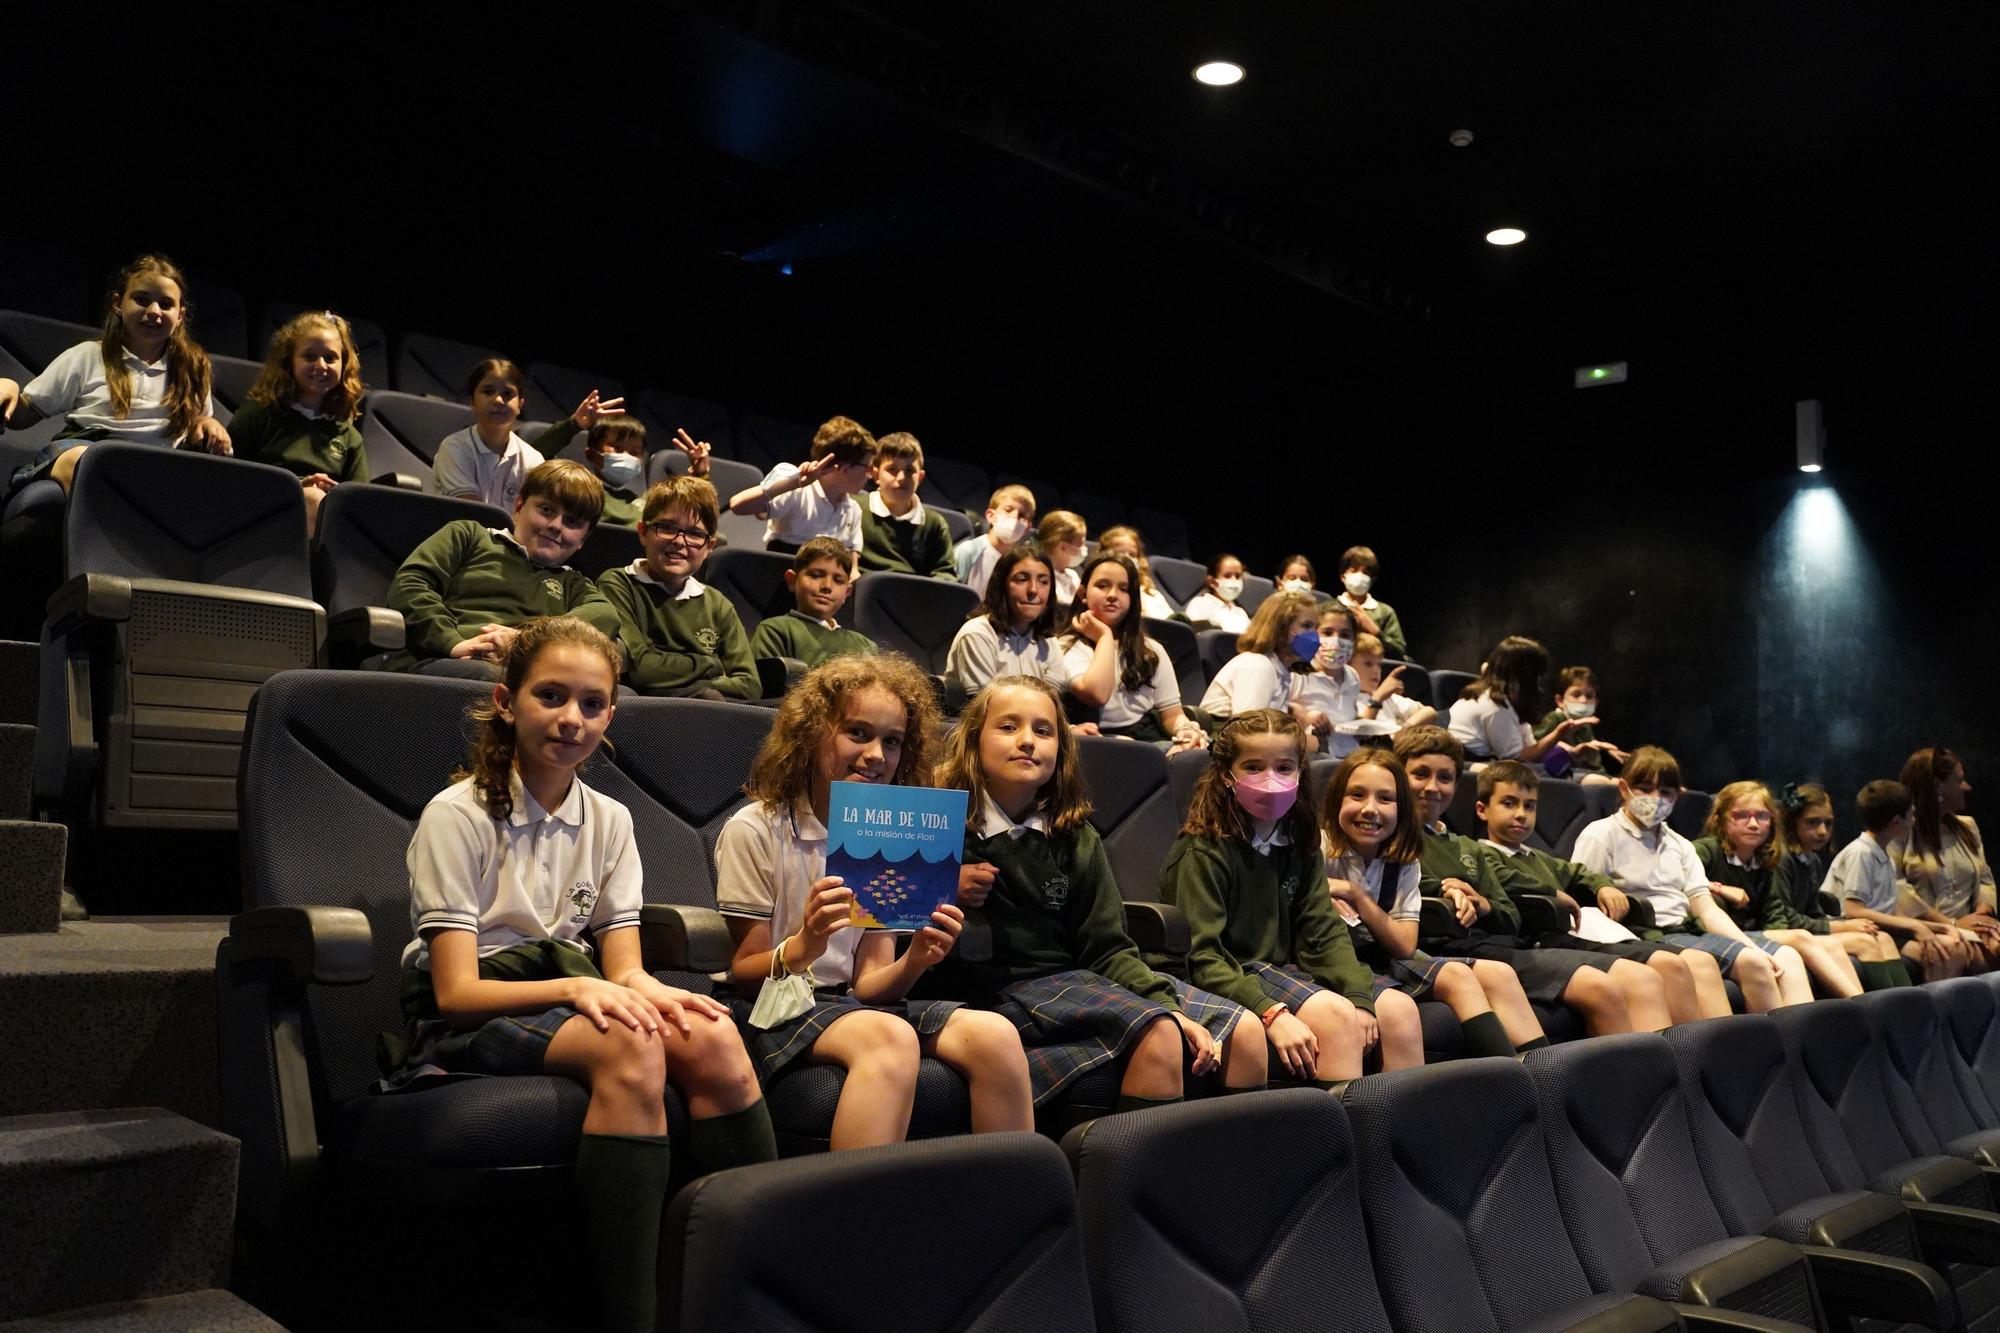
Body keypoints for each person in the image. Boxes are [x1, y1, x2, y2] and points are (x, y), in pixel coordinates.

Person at [390, 615, 774, 1333]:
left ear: (611, 715)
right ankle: (634, 1314)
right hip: (467, 1018)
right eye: (552, 696)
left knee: (711, 1035)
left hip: (567, 994)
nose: (572, 719)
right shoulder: (459, 813)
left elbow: (624, 966)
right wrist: (577, 986)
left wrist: (667, 996)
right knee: (632, 1046)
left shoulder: (610, 819)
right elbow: (455, 992)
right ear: (506, 701)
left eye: (592, 704)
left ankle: (745, 1291)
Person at [717, 654, 1032, 1147]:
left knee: (994, 1034)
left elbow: (870, 985)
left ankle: (1011, 1207)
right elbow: (743, 973)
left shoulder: (890, 830)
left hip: (851, 1005)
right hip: (773, 1007)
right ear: (812, 733)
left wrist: (918, 960)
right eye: (857, 733)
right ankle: (857, 1216)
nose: (876, 755)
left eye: (892, 741)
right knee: (891, 1037)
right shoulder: (756, 830)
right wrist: (807, 942)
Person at [927, 676, 1267, 1111]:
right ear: (973, 741)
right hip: (999, 993)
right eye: (1008, 727)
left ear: (1062, 749)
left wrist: (1170, 1003)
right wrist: (943, 883)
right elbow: (892, 912)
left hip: (1077, 981)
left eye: (1044, 730)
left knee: (1245, 1033)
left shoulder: (1073, 834)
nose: (1028, 741)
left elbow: (1107, 947)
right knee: (1160, 1033)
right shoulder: (938, 822)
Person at [1157, 710, 1371, 1088]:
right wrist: (1270, 1012)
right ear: (1227, 774)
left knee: (1397, 1011)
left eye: (1284, 767)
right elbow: (1203, 955)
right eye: (1253, 767)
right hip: (1227, 972)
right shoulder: (1203, 850)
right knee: (1337, 1018)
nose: (1271, 779)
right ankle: (1337, 1143)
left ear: (1301, 773)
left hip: (1277, 968)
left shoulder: (1300, 843)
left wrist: (1359, 996)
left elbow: (1322, 929)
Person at [1318, 748, 1544, 1065]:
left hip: (1381, 953)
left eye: (1385, 799)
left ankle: (1527, 1075)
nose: (1370, 809)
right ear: (1336, 801)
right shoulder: (1319, 848)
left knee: (1471, 975)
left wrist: (1359, 897)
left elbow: (1404, 944)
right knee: (1414, 998)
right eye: (1357, 795)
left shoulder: (1404, 858)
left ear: (1401, 809)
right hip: (1336, 960)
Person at [1462, 753, 1721, 1024]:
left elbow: (1578, 872)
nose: (1520, 814)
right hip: (1534, 943)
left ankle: (1694, 1055)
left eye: (1530, 806)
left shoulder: (1536, 857)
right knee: (1642, 977)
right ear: (1482, 810)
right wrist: (1552, 892)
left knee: (1672, 964)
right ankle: (1661, 1062)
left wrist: (1603, 887)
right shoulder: (1480, 854)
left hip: (1568, 939)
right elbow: (1503, 877)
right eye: (1509, 803)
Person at [1571, 746, 1808, 1011]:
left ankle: (1783, 1046)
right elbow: (1582, 898)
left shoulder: (1680, 845)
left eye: (1665, 792)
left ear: (1677, 796)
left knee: (1756, 961)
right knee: (1712, 963)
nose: (1655, 798)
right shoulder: (1601, 834)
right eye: (1645, 788)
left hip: (1682, 931)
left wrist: (1751, 946)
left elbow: (1706, 909)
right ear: (1625, 789)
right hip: (1638, 934)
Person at [1, 253, 230, 493]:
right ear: (118, 304)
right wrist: (10, 388)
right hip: (90, 448)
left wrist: (206, 422)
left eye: (166, 304)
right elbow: (25, 414)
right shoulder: (88, 355)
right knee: (86, 462)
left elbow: (195, 427)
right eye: (141, 300)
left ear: (179, 315)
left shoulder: (192, 367)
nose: (154, 311)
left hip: (160, 460)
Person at [386, 459, 620, 678]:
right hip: (449, 658)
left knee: (621, 697)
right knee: (491, 677)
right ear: (518, 507)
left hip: (530, 673)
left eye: (572, 522)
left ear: (582, 540)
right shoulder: (470, 536)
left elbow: (606, 615)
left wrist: (527, 641)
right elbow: (411, 584)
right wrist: (451, 642)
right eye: (546, 510)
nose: (556, 526)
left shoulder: (572, 582)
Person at [1693, 781, 1881, 996]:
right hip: (1719, 935)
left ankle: (1863, 1010)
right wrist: (1717, 888)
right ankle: (1860, 1005)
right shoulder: (1705, 850)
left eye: (1762, 816)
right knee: (1800, 937)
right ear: (1721, 819)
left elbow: (1774, 914)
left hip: (1755, 932)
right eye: (1741, 815)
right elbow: (1678, 880)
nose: (1753, 824)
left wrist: (1784, 939)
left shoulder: (1764, 859)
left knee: (1830, 945)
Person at [597, 475, 759, 699]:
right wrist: (711, 665)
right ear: (643, 532)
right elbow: (640, 669)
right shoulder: (617, 584)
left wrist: (685, 678)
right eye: (667, 527)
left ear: (709, 546)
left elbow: (749, 685)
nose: (679, 541)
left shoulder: (717, 604)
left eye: (694, 533)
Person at [226, 310, 369, 529]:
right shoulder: (259, 415)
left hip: (327, 522)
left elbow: (358, 502)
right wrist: (299, 486)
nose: (321, 365)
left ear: (343, 365)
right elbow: (232, 478)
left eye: (330, 358)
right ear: (289, 361)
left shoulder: (349, 436)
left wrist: (333, 492)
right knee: (312, 498)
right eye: (310, 356)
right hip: (261, 517)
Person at [1057, 552, 1204, 753]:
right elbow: (1096, 694)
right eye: (1102, 586)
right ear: (1083, 593)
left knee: (1200, 752)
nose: (1112, 595)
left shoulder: (1152, 650)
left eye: (1124, 589)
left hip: (1145, 739)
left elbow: (1171, 714)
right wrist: (1105, 637)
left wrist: (1185, 729)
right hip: (1093, 739)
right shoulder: (1066, 645)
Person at [428, 357, 619, 511]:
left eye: (508, 394)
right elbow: (474, 515)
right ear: (472, 401)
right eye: (488, 391)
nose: (498, 400)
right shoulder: (454, 448)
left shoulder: (532, 458)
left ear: (520, 405)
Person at [944, 544, 1113, 708]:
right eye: (1022, 579)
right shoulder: (978, 634)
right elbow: (984, 709)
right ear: (1002, 585)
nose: (1033, 590)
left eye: (1043, 581)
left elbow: (1048, 707)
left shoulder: (1049, 643)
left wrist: (1070, 729)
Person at [1834, 778, 1970, 982]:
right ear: (1896, 822)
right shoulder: (1860, 853)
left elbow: (1890, 909)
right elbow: (1854, 910)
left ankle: (1937, 1010)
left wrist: (1941, 927)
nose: (1914, 820)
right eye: (1912, 814)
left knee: (1954, 947)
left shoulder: (1884, 854)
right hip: (1858, 932)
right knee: (1942, 953)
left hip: (1884, 931)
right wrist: (1917, 927)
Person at [1897, 747, 2000, 970]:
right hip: (1926, 929)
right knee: (1956, 950)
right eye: (1959, 780)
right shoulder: (1901, 833)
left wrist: (1981, 917)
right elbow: (1897, 891)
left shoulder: (1968, 827)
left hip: (1973, 926)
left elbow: (1985, 879)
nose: (1967, 787)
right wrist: (1952, 924)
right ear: (1937, 786)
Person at [729, 415, 873, 556]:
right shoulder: (797, 491)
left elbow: (852, 568)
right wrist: (793, 483)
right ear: (844, 467)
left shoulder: (853, 510)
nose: (870, 474)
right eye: (867, 467)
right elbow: (738, 505)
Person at [1448, 635, 1595, 767]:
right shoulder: (1494, 706)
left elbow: (1531, 749)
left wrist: (1570, 752)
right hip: (1472, 766)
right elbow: (1516, 758)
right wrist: (1558, 734)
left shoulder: (1511, 702)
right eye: (1536, 675)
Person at [748, 536, 879, 667]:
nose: (827, 586)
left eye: (838, 581)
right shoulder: (775, 631)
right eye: (816, 575)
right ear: (792, 580)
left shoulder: (865, 646)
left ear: (847, 592)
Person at [1197, 589, 1319, 727]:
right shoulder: (1258, 666)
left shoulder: (1281, 670)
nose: (1314, 635)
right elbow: (1248, 731)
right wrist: (1302, 741)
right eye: (1306, 626)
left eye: (1315, 627)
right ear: (1280, 627)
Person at [858, 430, 955, 578]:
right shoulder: (854, 508)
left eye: (910, 470)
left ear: (920, 477)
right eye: (892, 469)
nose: (902, 477)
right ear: (875, 474)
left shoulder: (934, 524)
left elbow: (945, 574)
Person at [1531, 666, 1627, 784]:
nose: (1583, 700)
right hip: (1565, 774)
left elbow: (1592, 762)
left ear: (1596, 702)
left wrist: (1601, 747)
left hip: (1588, 772)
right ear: (1560, 700)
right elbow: (1536, 745)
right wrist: (1568, 750)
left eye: (1589, 696)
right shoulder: (1555, 718)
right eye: (1576, 695)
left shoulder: (1586, 726)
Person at [1290, 603, 1362, 756]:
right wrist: (1304, 715)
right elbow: (1278, 709)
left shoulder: (1353, 676)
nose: (1336, 641)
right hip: (1312, 758)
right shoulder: (1298, 672)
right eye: (1327, 632)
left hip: (1350, 757)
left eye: (1345, 635)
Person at [951, 483, 1036, 598]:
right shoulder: (968, 551)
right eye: (1008, 510)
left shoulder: (1022, 564)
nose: (1014, 518)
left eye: (1021, 515)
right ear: (991, 516)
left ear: (1027, 527)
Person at [1335, 544, 1407, 659]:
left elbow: (1399, 653)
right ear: (1343, 576)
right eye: (1354, 570)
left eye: (1365, 573)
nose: (1359, 576)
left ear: (1372, 579)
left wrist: (1376, 632)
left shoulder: (1385, 612)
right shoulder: (1329, 607)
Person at [1351, 633, 1435, 732]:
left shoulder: (1387, 698)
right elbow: (1360, 734)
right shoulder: (1347, 700)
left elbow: (1430, 711)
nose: (1376, 670)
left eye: (1379, 664)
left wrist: (1404, 729)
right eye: (1368, 664)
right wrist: (1377, 699)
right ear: (1349, 666)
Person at [1096, 525, 1176, 621]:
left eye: (1132, 554)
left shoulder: (1153, 594)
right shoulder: (1099, 590)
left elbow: (1174, 624)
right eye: (1120, 554)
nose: (1127, 559)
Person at [580, 417, 650, 527]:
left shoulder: (644, 502)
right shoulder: (579, 490)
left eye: (634, 452)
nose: (626, 456)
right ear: (590, 454)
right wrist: (574, 423)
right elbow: (543, 455)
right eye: (618, 448)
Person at [1182, 553, 1249, 633]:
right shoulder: (1200, 603)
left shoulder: (1240, 612)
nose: (1234, 580)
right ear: (1212, 582)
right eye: (1227, 576)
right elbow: (1193, 636)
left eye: (1238, 576)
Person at [1035, 510, 1089, 610]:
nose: (1085, 548)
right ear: (1063, 546)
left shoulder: (1073, 576)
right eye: (1081, 543)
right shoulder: (1039, 576)